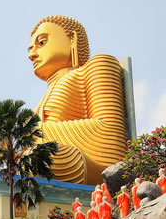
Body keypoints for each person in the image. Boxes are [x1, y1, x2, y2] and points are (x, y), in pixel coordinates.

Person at [29, 15, 128, 184]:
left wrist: (35, 131)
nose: (32, 54)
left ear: (71, 39)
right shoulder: (42, 98)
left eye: (42, 43)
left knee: (46, 157)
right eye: (30, 49)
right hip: (45, 161)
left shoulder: (97, 66)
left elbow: (110, 133)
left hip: (91, 167)